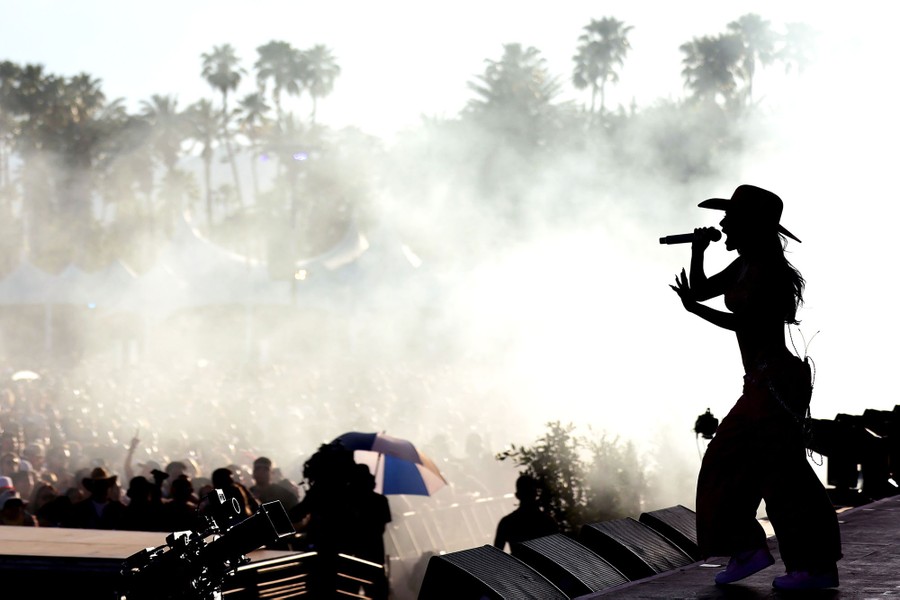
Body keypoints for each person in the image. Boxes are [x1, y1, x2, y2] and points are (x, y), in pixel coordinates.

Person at [669, 184, 842, 590]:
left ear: (750, 225)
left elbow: (747, 323)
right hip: (761, 382)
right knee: (745, 465)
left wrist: (695, 310)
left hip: (775, 381)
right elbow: (698, 289)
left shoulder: (768, 270)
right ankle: (753, 551)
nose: (723, 225)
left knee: (775, 473)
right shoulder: (746, 264)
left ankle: (809, 566)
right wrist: (698, 250)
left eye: (730, 219)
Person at [493, 474, 558, 551]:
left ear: (517, 495)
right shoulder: (548, 522)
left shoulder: (507, 522)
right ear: (536, 494)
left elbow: (496, 555)